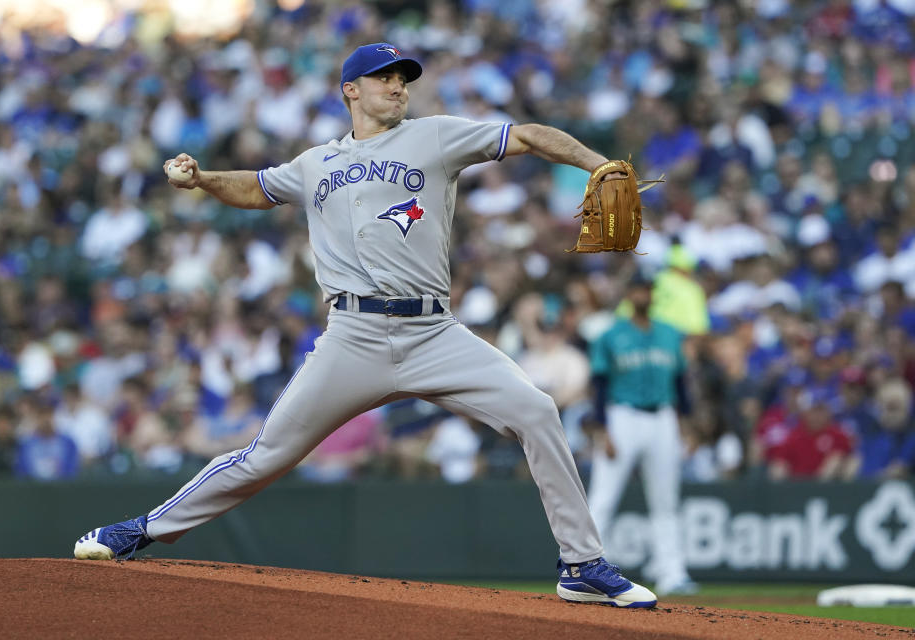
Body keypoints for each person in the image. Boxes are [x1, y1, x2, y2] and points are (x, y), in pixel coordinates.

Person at [72, 43, 656, 608]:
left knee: (537, 411)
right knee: (265, 456)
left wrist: (596, 163)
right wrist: (202, 179)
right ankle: (143, 530)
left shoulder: (434, 135)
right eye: (384, 77)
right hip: (353, 336)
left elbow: (527, 135)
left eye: (402, 77)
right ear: (350, 90)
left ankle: (580, 565)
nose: (398, 85)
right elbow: (257, 188)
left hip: (434, 332)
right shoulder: (315, 162)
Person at [586, 271, 698, 596]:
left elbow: (680, 385)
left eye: (647, 289)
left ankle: (672, 573)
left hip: (663, 416)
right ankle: (583, 566)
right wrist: (602, 429)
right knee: (604, 497)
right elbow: (599, 386)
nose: (642, 294)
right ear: (628, 294)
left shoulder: (670, 334)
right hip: (622, 416)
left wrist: (686, 426)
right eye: (637, 289)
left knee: (666, 500)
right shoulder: (609, 335)